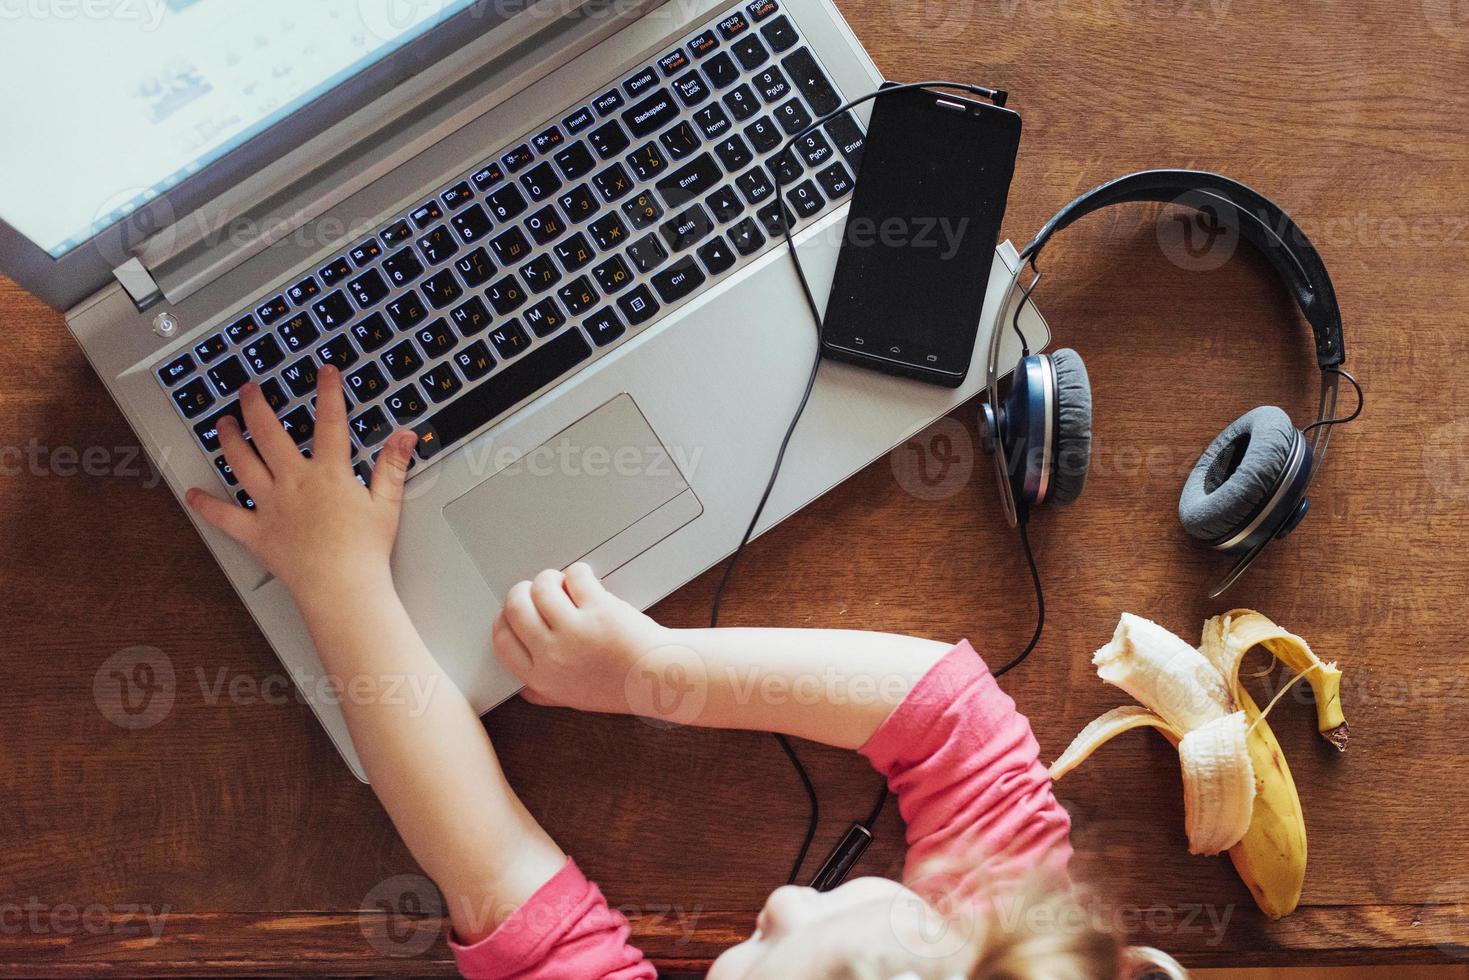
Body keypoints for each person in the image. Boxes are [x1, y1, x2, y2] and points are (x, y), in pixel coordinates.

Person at [186, 369, 1136, 978]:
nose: (783, 899)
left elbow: (500, 872)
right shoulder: (998, 959)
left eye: (768, 946)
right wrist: (655, 669)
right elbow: (953, 723)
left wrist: (336, 579)